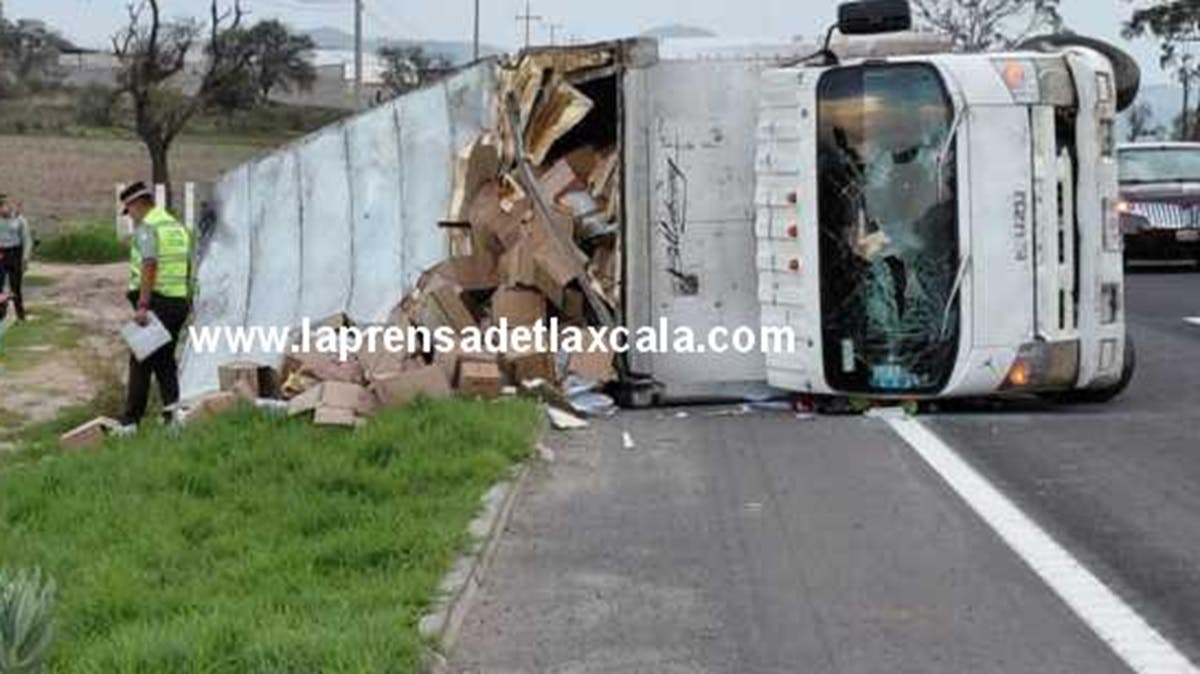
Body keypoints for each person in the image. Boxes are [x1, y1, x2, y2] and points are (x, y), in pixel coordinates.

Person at [118, 182, 193, 427]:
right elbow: (187, 265)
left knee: (140, 359)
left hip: (156, 302)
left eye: (129, 210)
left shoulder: (147, 227)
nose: (131, 217)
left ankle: (130, 423)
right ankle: (173, 415)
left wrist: (142, 305)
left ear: (137, 204)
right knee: (164, 360)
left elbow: (149, 264)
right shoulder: (175, 226)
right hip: (178, 301)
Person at [0, 195, 33, 322]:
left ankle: (20, 315)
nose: (4, 210)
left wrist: (25, 259)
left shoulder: (20, 220)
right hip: (1, 253)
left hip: (15, 253)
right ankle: (1, 313)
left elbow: (27, 240)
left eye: (6, 207)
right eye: (1, 208)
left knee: (16, 286)